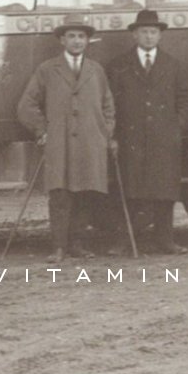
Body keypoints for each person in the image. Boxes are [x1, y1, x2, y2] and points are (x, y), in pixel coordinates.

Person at [108, 8, 188, 255]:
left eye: (153, 32)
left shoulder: (173, 65)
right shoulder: (118, 66)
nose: (148, 37)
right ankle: (124, 241)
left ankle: (165, 240)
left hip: (164, 137)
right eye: (143, 32)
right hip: (130, 137)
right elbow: (109, 101)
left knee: (165, 191)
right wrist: (114, 134)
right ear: (134, 35)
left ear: (160, 36)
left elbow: (185, 98)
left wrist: (176, 126)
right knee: (130, 189)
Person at [16, 15, 116, 262]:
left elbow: (108, 106)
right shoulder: (48, 69)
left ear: (88, 41)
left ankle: (77, 245)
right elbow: (26, 106)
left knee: (85, 192)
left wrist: (104, 134)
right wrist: (42, 131)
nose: (77, 41)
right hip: (59, 142)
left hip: (90, 143)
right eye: (71, 36)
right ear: (62, 40)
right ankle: (59, 247)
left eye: (81, 36)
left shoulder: (96, 70)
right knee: (60, 194)